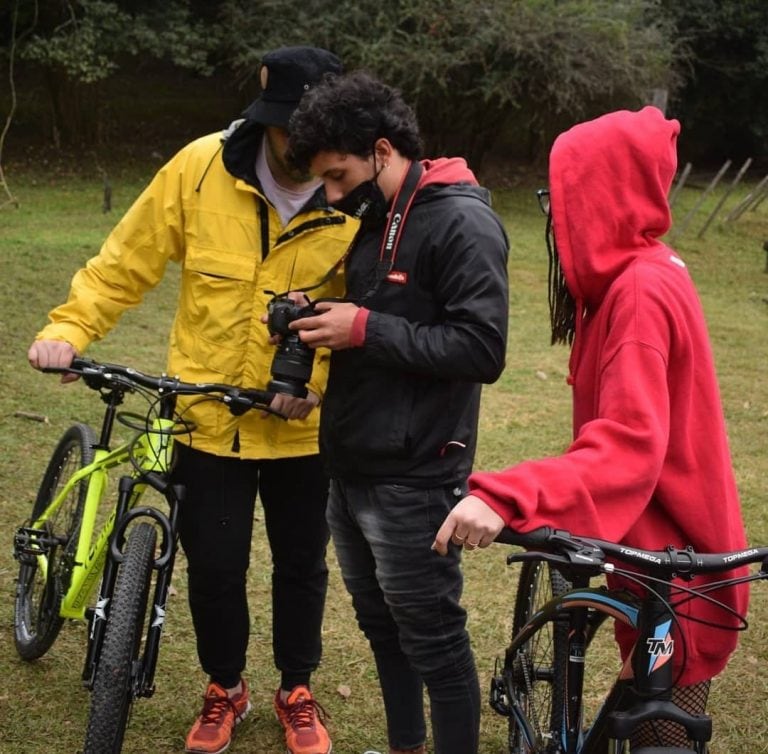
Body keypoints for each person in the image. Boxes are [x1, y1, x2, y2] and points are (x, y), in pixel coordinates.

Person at [27, 46, 359, 754]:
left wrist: (318, 384)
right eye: (289, 133)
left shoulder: (354, 194)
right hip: (208, 419)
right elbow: (125, 261)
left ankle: (296, 686)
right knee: (214, 564)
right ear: (266, 123)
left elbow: (370, 315)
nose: (303, 151)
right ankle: (225, 686)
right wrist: (69, 328)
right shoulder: (199, 167)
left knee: (302, 564)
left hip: (304, 428)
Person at [433, 106, 749, 748]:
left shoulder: (638, 296)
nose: (553, 210)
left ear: (603, 193)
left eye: (562, 193)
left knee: (660, 733)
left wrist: (508, 494)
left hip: (681, 572)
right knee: (632, 717)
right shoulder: (637, 273)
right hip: (659, 559)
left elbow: (630, 448)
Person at [287, 72, 510, 754]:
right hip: (351, 466)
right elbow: (383, 320)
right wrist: (320, 314)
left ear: (382, 151)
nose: (330, 194)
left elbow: (482, 346)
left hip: (416, 476)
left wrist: (363, 329)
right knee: (384, 630)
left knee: (434, 641)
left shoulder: (462, 220)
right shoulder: (377, 218)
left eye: (337, 174)